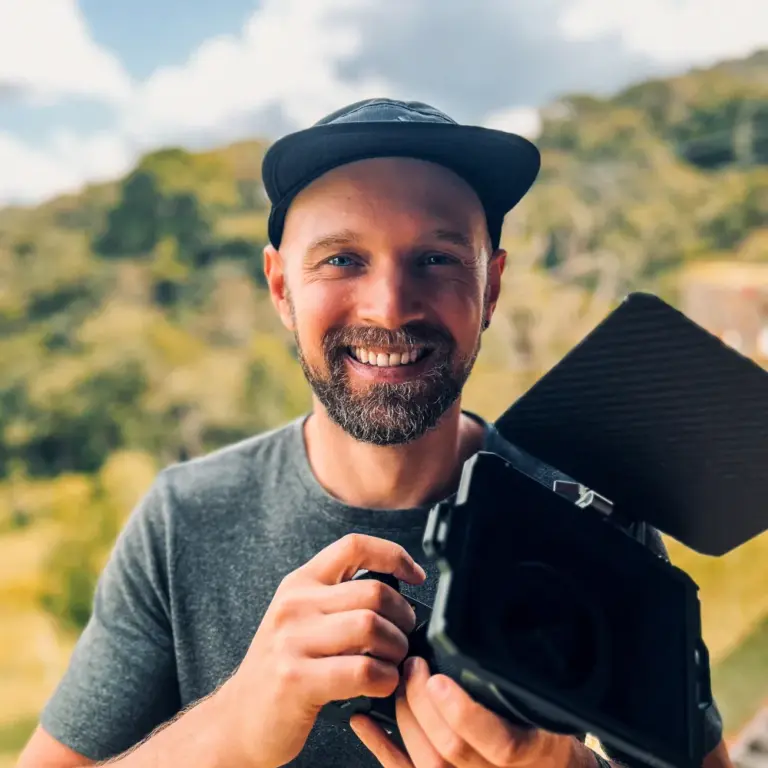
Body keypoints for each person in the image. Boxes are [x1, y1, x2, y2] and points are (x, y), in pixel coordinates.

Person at [16, 98, 733, 768]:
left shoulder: (591, 508)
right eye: (341, 259)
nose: (389, 307)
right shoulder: (182, 521)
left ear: (491, 288)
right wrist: (234, 724)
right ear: (280, 288)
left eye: (437, 259)